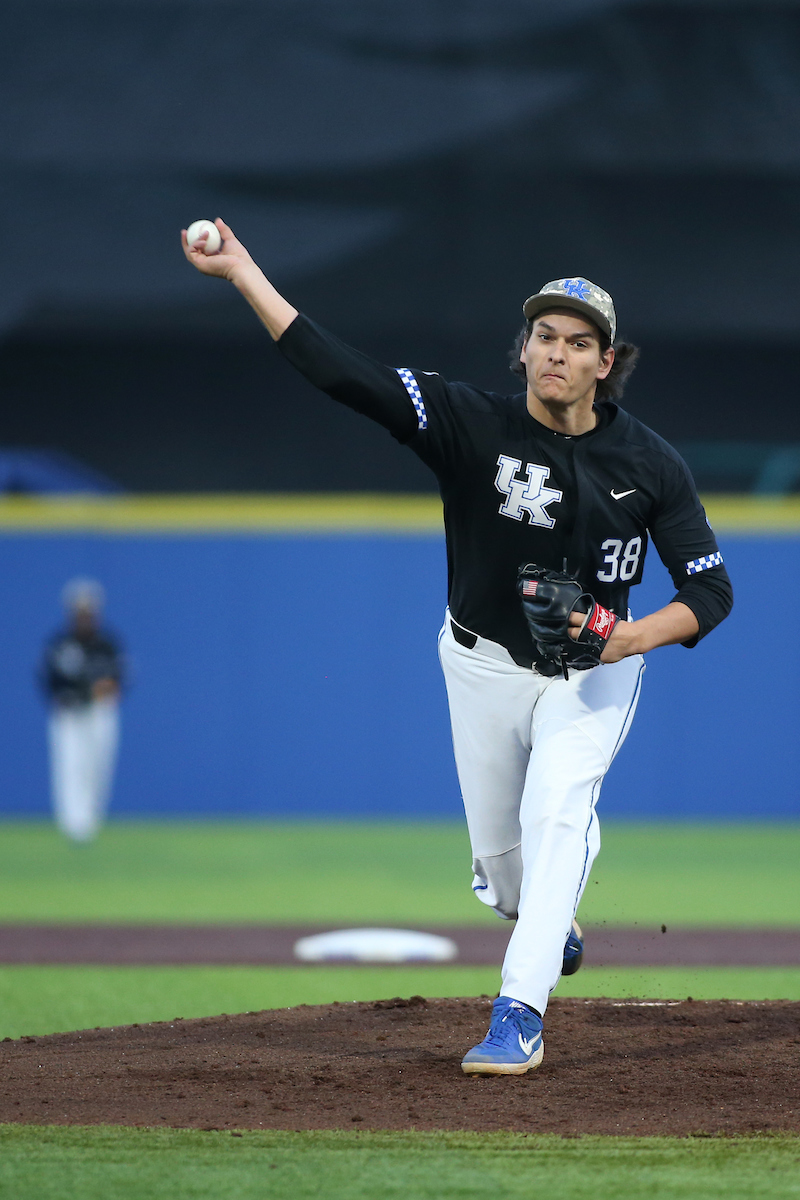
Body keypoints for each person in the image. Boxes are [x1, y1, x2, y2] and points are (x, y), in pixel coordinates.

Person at [182, 219, 733, 1075]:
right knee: (507, 876)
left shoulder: (651, 463)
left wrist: (630, 637)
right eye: (543, 336)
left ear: (605, 361)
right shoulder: (470, 422)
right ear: (524, 351)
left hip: (591, 676)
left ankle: (518, 1013)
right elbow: (344, 374)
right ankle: (551, 914)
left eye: (576, 342)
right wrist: (246, 272)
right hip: (479, 664)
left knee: (557, 811)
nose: (555, 351)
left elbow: (710, 590)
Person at [40, 579, 124, 843]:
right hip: (69, 713)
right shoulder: (60, 644)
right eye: (80, 611)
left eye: (89, 611)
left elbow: (119, 679)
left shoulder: (107, 644)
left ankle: (92, 817)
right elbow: (48, 679)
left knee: (97, 765)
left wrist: (105, 690)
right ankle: (73, 823)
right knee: (70, 764)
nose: (85, 616)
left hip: (99, 712)